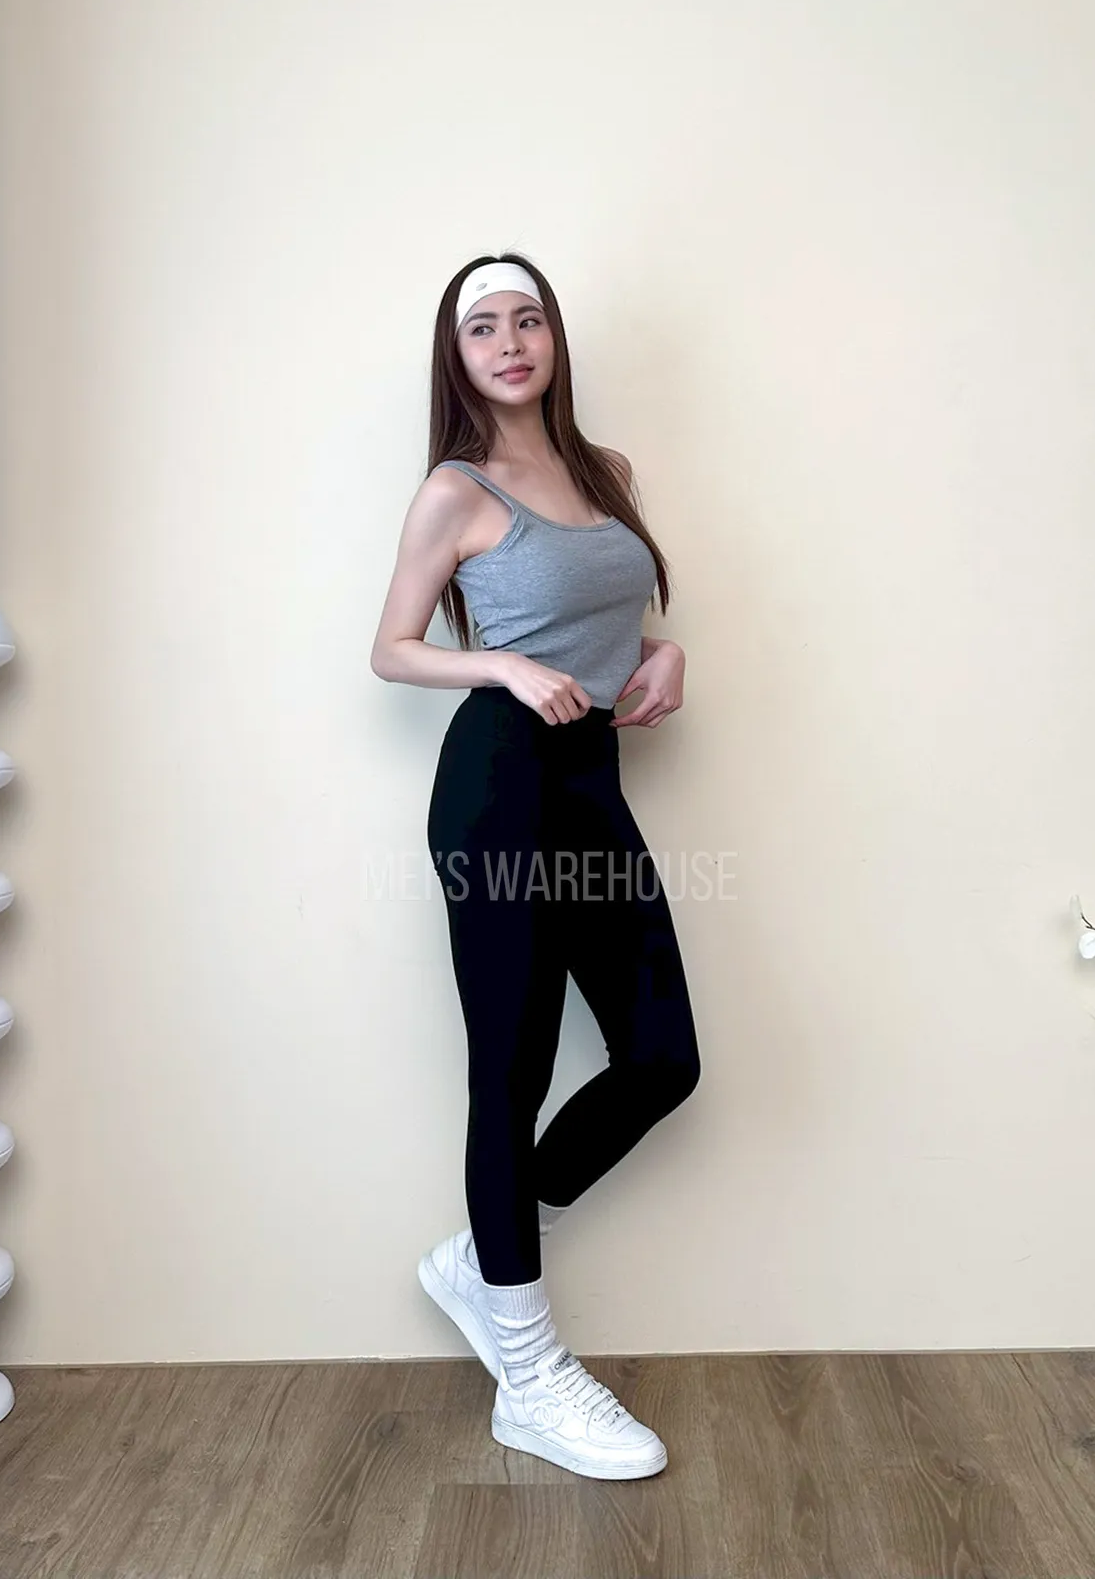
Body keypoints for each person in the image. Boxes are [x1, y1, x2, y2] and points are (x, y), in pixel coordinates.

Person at [370, 254, 700, 1481]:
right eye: (482, 328)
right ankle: (527, 1369)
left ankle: (480, 1257)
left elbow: (607, 616)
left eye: (528, 319)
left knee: (662, 1057)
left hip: (590, 782)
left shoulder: (606, 473)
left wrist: (662, 652)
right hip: (499, 784)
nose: (509, 342)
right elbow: (392, 647)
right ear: (456, 355)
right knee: (507, 1073)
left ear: (554, 336)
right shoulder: (454, 491)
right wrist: (502, 665)